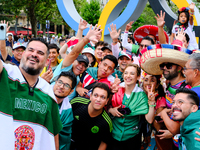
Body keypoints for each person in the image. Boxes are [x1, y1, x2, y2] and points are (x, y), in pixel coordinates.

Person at [0, 37, 62, 149]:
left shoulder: (48, 92)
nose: (34, 54)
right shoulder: (5, 73)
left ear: (47, 61)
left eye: (40, 53)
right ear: (23, 54)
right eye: (31, 50)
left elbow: (54, 134)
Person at [140, 44, 192, 149]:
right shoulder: (169, 85)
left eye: (168, 66)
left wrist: (163, 114)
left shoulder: (186, 88)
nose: (164, 68)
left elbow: (186, 121)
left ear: (179, 68)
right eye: (162, 66)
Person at [51, 24, 102, 101]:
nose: (81, 66)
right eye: (79, 63)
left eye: (84, 65)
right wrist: (86, 38)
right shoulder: (66, 66)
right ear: (73, 61)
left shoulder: (79, 79)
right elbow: (75, 51)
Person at [108, 64, 149, 150]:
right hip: (113, 133)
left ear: (138, 77)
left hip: (132, 136)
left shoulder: (141, 95)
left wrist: (152, 103)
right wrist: (110, 109)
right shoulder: (116, 88)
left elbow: (147, 115)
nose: (128, 76)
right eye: (126, 73)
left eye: (132, 73)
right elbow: (104, 104)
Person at [70, 82, 113, 150]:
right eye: (96, 95)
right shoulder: (77, 102)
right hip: (67, 143)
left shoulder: (106, 122)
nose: (98, 100)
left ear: (106, 101)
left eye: (103, 97)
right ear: (90, 96)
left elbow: (104, 142)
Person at [53, 71, 77, 150]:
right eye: (60, 82)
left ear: (71, 91)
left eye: (66, 85)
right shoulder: (41, 97)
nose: (61, 86)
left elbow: (65, 136)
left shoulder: (67, 110)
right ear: (55, 82)